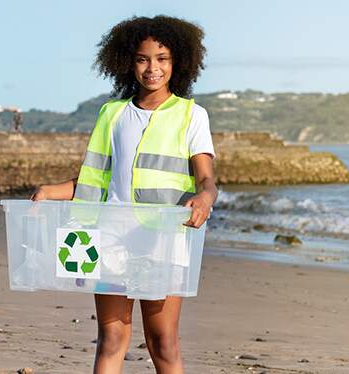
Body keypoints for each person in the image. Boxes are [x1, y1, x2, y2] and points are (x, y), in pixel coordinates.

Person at [31, 15, 217, 373]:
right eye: (143, 59)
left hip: (163, 240)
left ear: (177, 61)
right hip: (110, 237)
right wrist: (50, 191)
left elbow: (206, 180)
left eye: (162, 58)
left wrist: (205, 198)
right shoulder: (111, 114)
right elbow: (94, 180)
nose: (152, 68)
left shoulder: (191, 115)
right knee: (112, 339)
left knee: (162, 342)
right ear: (127, 63)